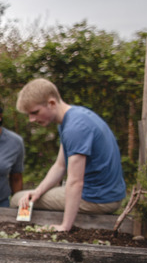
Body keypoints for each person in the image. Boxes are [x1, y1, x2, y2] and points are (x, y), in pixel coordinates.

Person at [10, 78, 126, 231]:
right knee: (29, 196)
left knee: (17, 199)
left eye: (35, 112)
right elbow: (60, 166)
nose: (32, 119)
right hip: (107, 194)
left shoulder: (75, 128)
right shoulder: (73, 118)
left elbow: (75, 181)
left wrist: (65, 226)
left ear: (51, 103)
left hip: (98, 198)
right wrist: (37, 192)